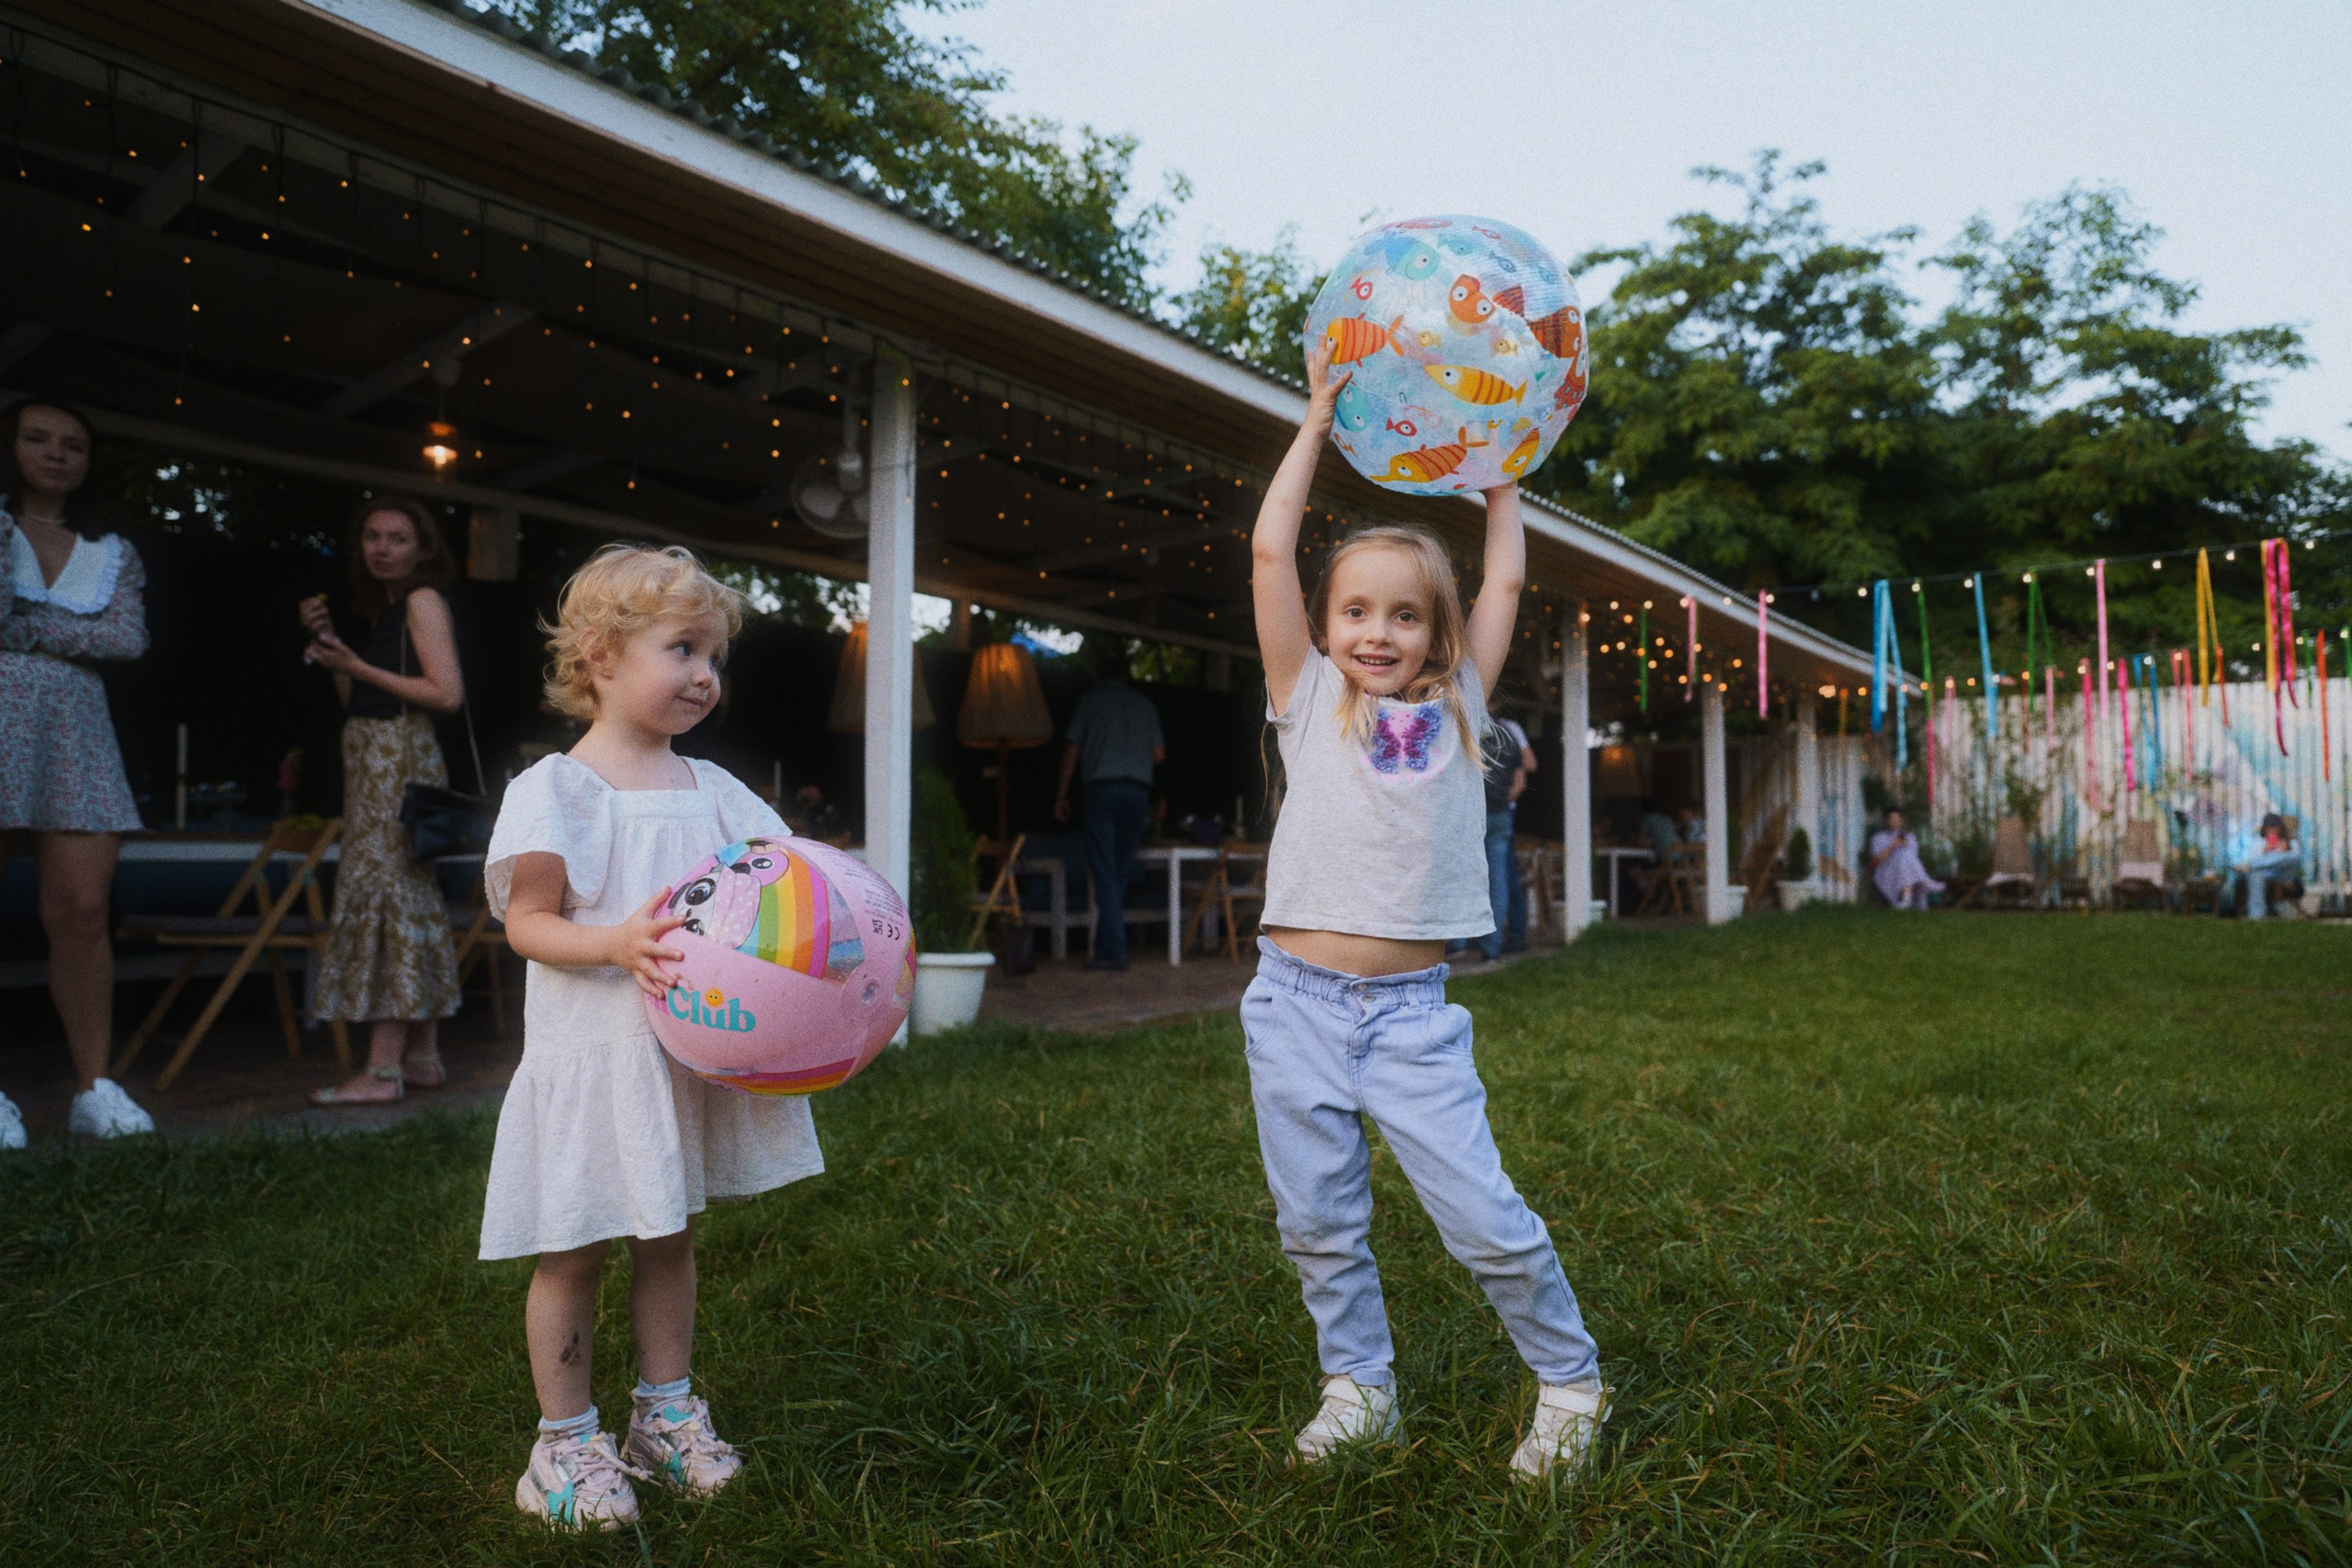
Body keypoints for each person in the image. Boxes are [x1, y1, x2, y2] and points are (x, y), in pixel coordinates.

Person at [1241, 341, 1606, 1481]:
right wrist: (1310, 425)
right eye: (1355, 610)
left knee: (1483, 1216)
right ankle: (1357, 1391)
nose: (1376, 634)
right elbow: (1265, 546)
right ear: (1326, 619)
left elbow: (1501, 584)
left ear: (1435, 636)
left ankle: (1570, 1384)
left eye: (1402, 617)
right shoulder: (1303, 698)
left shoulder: (1461, 706)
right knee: (1318, 1225)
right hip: (1290, 1006)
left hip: (1408, 1014)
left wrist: (1501, 472)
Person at [480, 544, 820, 1529]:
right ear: (599, 655)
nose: (706, 674)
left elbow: (783, 869)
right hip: (595, 1060)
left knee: (667, 1234)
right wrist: (616, 941)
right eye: (683, 649)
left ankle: (662, 1419)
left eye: (714, 655)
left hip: (683, 1055)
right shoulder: (558, 789)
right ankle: (563, 1446)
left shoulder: (711, 787)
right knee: (575, 1244)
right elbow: (527, 923)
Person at [0, 398, 155, 1147]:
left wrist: (26, 629)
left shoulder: (112, 548)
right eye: (37, 438)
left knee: (82, 914)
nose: (57, 454)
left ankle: (94, 1087)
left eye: (73, 444)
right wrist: (74, 635)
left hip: (77, 738)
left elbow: (127, 637)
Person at [300, 497, 467, 1105]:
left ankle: (381, 1071)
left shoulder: (422, 600)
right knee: (407, 894)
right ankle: (422, 1056)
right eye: (372, 536)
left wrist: (359, 669)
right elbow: (357, 701)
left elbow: (445, 692)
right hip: (376, 754)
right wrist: (330, 646)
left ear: (422, 548)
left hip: (394, 758)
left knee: (389, 892)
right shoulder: (390, 610)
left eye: (398, 538)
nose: (383, 548)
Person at [1052, 648, 1164, 972]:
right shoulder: (1145, 705)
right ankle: (1107, 947)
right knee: (1119, 870)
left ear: (1097, 675)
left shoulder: (1090, 701)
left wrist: (1061, 794)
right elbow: (1158, 754)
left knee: (1104, 870)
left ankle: (1114, 952)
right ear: (1127, 675)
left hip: (1101, 791)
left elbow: (1071, 749)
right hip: (1138, 793)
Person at [1477, 716, 1537, 960]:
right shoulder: (1509, 732)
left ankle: (1458, 942)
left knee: (1465, 875)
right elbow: (1522, 778)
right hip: (1502, 814)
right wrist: (1504, 802)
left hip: (1473, 815)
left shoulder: (1467, 728)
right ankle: (1491, 947)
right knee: (1499, 880)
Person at [1868, 807, 1942, 910]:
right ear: (1886, 821)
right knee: (1904, 855)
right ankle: (1926, 881)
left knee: (1905, 855)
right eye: (1891, 818)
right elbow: (1877, 860)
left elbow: (1913, 859)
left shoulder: (1909, 837)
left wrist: (1905, 846)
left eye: (1897, 818)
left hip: (1904, 870)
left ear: (1902, 821)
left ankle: (1906, 900)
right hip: (1884, 870)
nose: (1894, 821)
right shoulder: (1878, 837)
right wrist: (1892, 845)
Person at [2229, 813, 2301, 919]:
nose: (2273, 832)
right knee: (2256, 873)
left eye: (2276, 829)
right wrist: (2264, 852)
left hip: (2283, 876)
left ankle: (2252, 866)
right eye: (2270, 829)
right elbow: (2252, 859)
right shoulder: (2259, 843)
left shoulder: (2291, 843)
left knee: (2289, 857)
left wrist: (2281, 853)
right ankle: (2256, 916)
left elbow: (2295, 857)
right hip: (2263, 876)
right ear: (2265, 829)